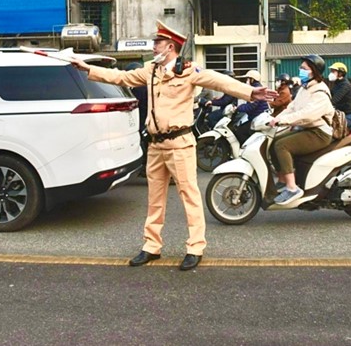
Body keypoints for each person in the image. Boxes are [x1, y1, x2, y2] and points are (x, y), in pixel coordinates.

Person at [71, 20, 276, 271]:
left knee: (189, 196)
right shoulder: (151, 71)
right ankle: (151, 246)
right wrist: (87, 69)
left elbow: (217, 80)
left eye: (157, 42)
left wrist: (250, 92)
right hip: (156, 145)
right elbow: (122, 77)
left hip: (180, 143)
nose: (153, 46)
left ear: (170, 47)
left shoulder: (188, 70)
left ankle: (195, 247)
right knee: (154, 199)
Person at [268, 54, 334, 205]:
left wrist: (282, 121)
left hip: (319, 133)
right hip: (307, 129)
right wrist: (273, 118)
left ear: (314, 71)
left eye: (304, 68)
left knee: (282, 145)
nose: (300, 71)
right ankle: (283, 180)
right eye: (301, 68)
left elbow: (307, 115)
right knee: (274, 141)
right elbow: (291, 108)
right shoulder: (305, 89)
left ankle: (292, 188)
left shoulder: (320, 92)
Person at [231, 70, 270, 143]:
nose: (246, 81)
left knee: (240, 132)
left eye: (247, 79)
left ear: (252, 79)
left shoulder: (256, 90)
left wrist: (238, 108)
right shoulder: (255, 88)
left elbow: (251, 106)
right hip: (256, 116)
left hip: (257, 117)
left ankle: (245, 151)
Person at [124, 63, 148, 176]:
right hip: (145, 120)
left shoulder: (139, 88)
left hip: (143, 120)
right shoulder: (145, 85)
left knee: (145, 145)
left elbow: (136, 104)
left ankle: (146, 167)